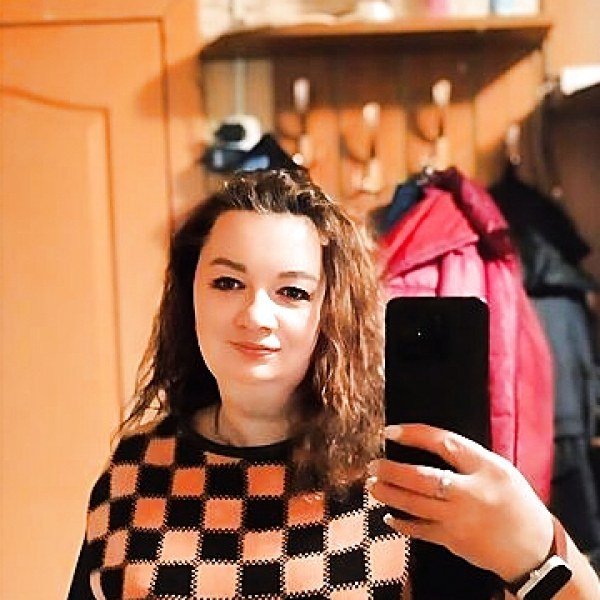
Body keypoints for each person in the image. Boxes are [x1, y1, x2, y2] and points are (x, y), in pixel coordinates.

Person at [68, 168, 600, 599]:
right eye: (228, 283)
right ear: (190, 296)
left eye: (292, 292)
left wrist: (534, 548)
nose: (256, 316)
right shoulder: (134, 472)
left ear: (331, 312)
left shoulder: (398, 476)